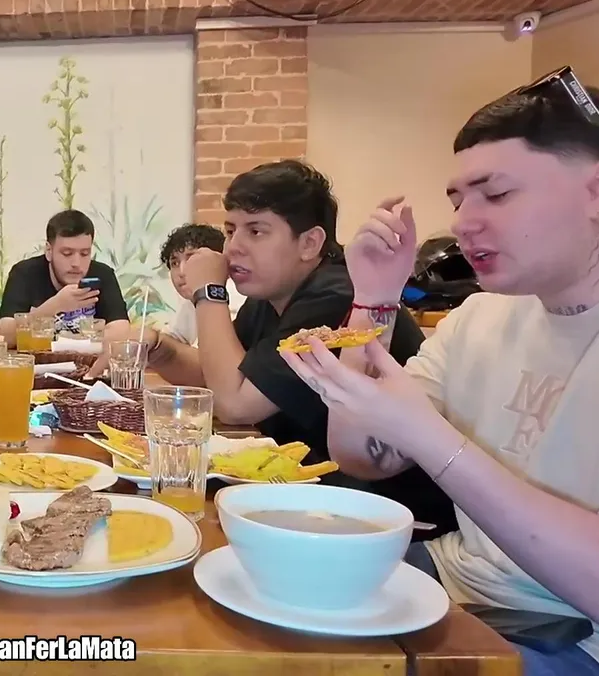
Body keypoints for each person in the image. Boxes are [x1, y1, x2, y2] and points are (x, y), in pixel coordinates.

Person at [281, 68, 599, 675]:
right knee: (253, 597)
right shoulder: (480, 317)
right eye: (458, 200)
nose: (461, 222)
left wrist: (428, 434)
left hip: (598, 644)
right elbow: (363, 457)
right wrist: (374, 298)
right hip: (459, 579)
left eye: (496, 194)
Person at [123, 160, 455, 535]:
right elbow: (216, 375)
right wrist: (157, 348)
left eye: (256, 231)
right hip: (310, 496)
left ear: (310, 243)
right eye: (230, 231)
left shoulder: (337, 294)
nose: (233, 248)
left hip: (387, 517)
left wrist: (209, 293)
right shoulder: (270, 295)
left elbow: (234, 403)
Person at [0, 209, 130, 342]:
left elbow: (121, 331)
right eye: (67, 253)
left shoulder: (102, 274)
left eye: (84, 254)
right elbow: (6, 336)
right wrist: (55, 305)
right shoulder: (25, 273)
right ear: (49, 251)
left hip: (84, 354)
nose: (76, 263)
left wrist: (70, 341)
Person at [157, 223, 245, 346]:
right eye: (175, 263)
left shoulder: (235, 300)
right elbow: (173, 337)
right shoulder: (189, 303)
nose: (182, 271)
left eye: (191, 259)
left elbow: (208, 354)